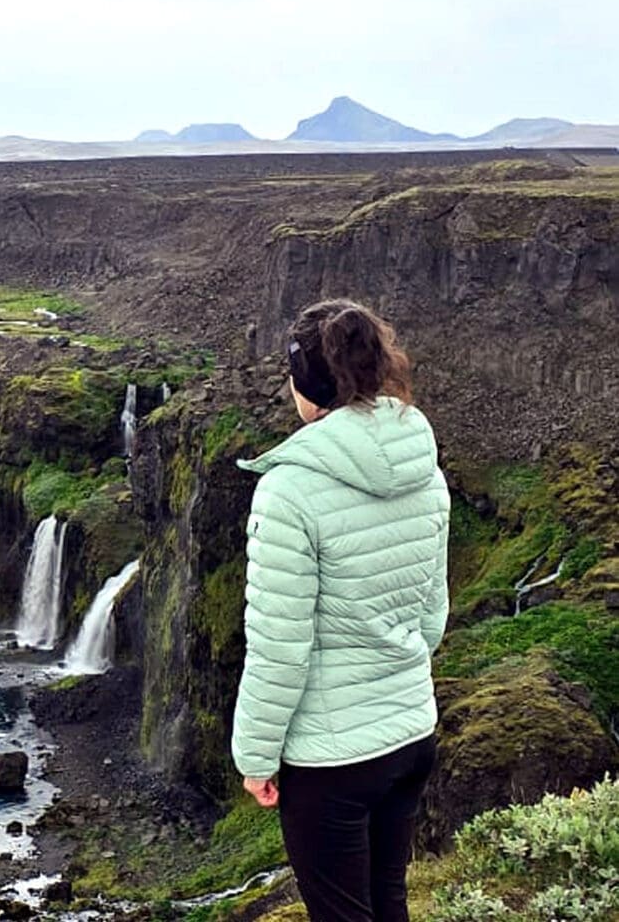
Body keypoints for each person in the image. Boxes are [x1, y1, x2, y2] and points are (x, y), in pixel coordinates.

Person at [231, 298, 450, 922]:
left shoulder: (288, 490)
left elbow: (280, 647)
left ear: (307, 385)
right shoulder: (423, 467)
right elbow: (431, 618)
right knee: (388, 902)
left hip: (333, 760)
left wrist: (256, 757)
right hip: (410, 733)